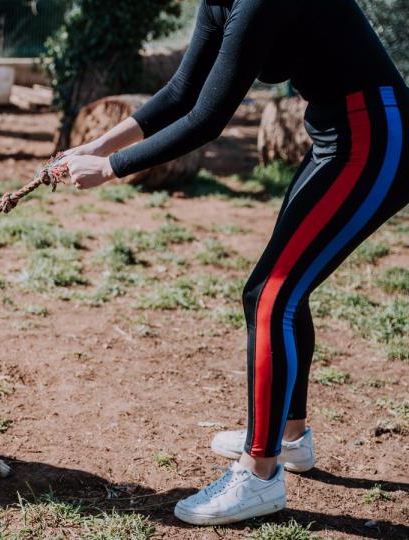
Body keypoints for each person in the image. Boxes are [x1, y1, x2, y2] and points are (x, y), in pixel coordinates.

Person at [59, 0, 409, 526]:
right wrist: (98, 142)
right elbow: (180, 92)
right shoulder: (220, 2)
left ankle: (259, 475)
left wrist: (110, 168)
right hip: (337, 134)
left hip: (376, 137)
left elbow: (207, 119)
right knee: (282, 291)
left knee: (272, 295)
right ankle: (290, 439)